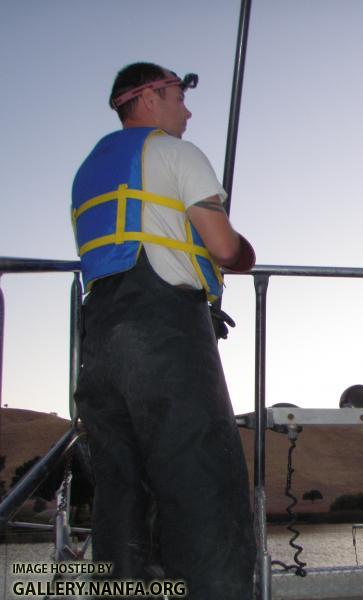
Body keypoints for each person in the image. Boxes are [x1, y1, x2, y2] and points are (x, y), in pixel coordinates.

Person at [71, 62, 256, 598]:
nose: (187, 109)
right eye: (178, 96)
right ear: (149, 96)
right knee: (202, 485)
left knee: (122, 492)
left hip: (100, 338)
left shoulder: (88, 170)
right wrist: (244, 254)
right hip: (165, 334)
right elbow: (224, 248)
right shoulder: (175, 154)